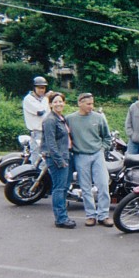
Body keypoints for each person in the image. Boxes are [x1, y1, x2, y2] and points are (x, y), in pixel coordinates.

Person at [66, 93, 113, 227]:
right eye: (88, 104)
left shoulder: (99, 118)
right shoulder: (70, 119)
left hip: (97, 154)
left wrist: (102, 149)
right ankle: (90, 215)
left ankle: (103, 215)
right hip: (80, 156)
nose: (91, 106)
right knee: (85, 187)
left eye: (92, 103)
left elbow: (107, 137)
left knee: (103, 185)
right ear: (80, 103)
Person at [41, 92, 75, 229]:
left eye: (60, 101)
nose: (58, 104)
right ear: (50, 104)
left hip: (66, 155)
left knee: (64, 187)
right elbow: (51, 143)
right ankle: (61, 219)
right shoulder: (50, 120)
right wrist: (59, 161)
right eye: (55, 102)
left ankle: (63, 216)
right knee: (59, 189)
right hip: (57, 159)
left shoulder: (61, 118)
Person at [23, 76, 51, 163]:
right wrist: (47, 98)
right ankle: (34, 174)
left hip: (45, 130)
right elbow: (41, 111)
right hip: (37, 132)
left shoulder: (42, 99)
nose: (42, 90)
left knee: (45, 155)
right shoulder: (29, 99)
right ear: (34, 88)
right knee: (36, 156)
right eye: (39, 88)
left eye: (43, 88)